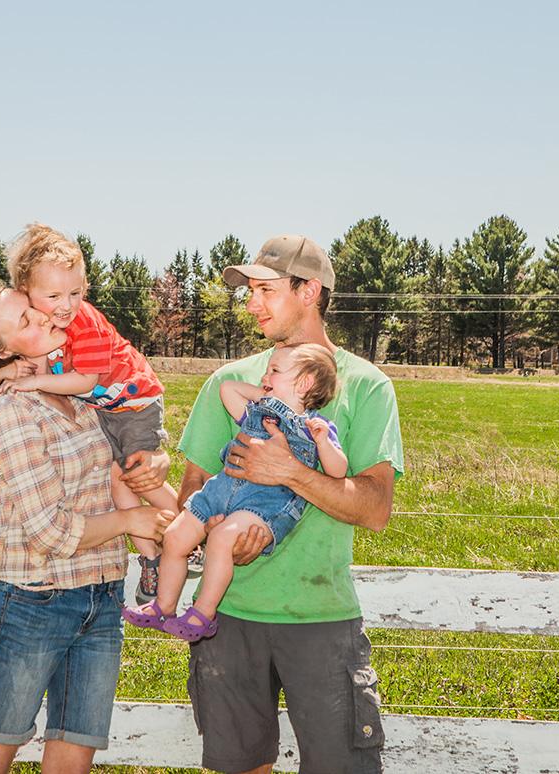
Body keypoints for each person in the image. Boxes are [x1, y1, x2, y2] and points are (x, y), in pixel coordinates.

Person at [177, 234, 404, 774]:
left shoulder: (366, 387)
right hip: (227, 618)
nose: (251, 304)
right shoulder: (230, 383)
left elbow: (374, 508)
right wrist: (226, 531)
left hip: (322, 619)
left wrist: (290, 473)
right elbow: (193, 496)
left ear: (311, 291)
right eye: (249, 291)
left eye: (265, 290)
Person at [0, 283, 176, 774]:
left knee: (73, 760)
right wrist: (132, 520)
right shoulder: (14, 410)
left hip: (102, 596)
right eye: (26, 321)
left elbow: (127, 441)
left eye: (36, 309)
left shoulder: (76, 389)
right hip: (35, 598)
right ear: (6, 351)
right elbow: (49, 532)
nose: (47, 318)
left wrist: (156, 459)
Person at [0, 223, 180, 602]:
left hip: (133, 402)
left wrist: (31, 381)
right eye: (52, 296)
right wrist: (5, 373)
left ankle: (189, 532)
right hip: (38, 588)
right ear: (29, 294)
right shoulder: (26, 382)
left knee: (131, 473)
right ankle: (153, 555)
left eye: (75, 292)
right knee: (123, 478)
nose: (64, 305)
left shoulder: (80, 325)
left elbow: (85, 383)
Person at [121, 343, 347, 641]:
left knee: (223, 537)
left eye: (275, 370)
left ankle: (202, 613)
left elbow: (337, 470)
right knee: (175, 535)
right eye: (267, 368)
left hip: (264, 505)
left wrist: (322, 443)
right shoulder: (257, 411)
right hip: (221, 489)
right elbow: (228, 389)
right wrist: (265, 393)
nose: (266, 375)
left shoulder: (316, 426)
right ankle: (164, 605)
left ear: (304, 382)